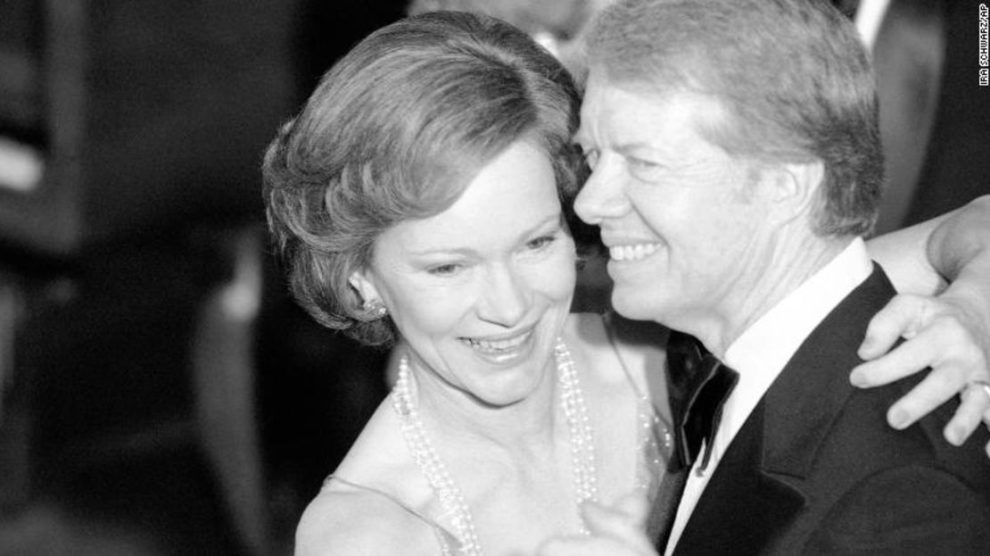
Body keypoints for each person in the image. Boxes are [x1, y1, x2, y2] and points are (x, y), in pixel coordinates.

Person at [263, 11, 990, 556]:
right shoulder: (369, 532)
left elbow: (943, 233)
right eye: (448, 267)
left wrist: (973, 305)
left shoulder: (652, 331)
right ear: (361, 280)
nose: (510, 307)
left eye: (536, 242)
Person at [544, 0, 990, 554]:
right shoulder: (754, 370)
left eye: (642, 163)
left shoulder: (903, 496)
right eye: (592, 157)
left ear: (786, 183)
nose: (588, 203)